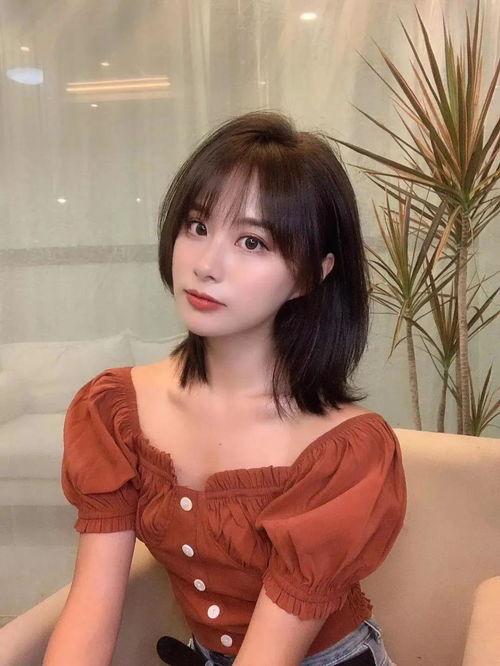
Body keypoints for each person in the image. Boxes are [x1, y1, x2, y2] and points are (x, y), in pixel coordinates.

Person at [44, 110, 406, 666]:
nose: (207, 265)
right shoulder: (115, 411)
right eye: (197, 226)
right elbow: (90, 613)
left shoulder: (344, 453)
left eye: (253, 242)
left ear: (312, 274)